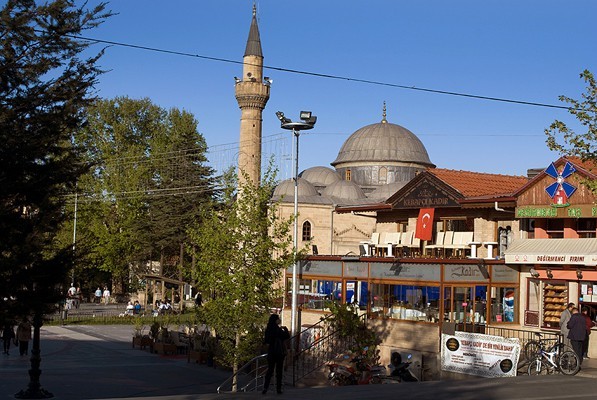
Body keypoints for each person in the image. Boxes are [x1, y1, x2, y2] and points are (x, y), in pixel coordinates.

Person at [262, 314, 290, 394]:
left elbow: (266, 341)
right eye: (278, 319)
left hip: (271, 352)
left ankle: (265, 387)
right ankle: (278, 389)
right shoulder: (278, 329)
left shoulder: (268, 329)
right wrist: (285, 329)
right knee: (279, 371)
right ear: (276, 320)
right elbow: (286, 336)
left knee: (270, 370)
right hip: (279, 352)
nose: (280, 320)